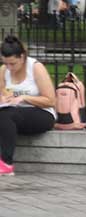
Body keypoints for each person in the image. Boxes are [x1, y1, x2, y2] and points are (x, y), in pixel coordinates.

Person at [0, 36, 56, 177]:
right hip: (13, 114)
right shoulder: (3, 71)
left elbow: (50, 100)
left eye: (13, 64)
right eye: (6, 64)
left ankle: (6, 163)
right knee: (5, 114)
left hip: (41, 113)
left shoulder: (36, 68)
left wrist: (24, 98)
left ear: (22, 57)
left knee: (6, 115)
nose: (9, 68)